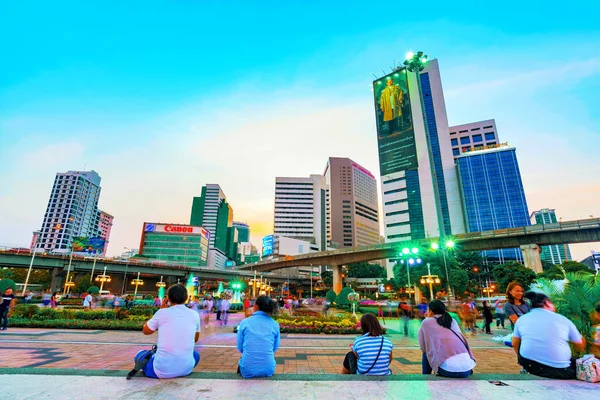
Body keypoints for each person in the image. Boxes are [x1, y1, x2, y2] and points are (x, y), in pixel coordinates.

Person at [512, 291, 584, 379]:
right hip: (560, 370)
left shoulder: (522, 319)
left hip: (530, 365)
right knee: (576, 364)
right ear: (547, 303)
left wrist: (521, 358)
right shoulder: (562, 319)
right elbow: (579, 344)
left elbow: (514, 343)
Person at [135, 284, 200, 379]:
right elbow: (195, 339)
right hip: (187, 369)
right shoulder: (195, 314)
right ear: (186, 298)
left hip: (160, 371)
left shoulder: (162, 313)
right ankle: (180, 368)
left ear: (168, 299)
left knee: (140, 355)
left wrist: (160, 312)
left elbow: (146, 331)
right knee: (195, 354)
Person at [419, 300, 476, 378]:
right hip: (466, 370)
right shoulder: (452, 321)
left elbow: (423, 347)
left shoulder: (427, 322)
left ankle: (425, 377)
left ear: (431, 311)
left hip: (447, 371)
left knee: (425, 352)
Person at [236, 296, 280, 378]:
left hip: (247, 370)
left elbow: (240, 348)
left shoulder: (245, 322)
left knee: (242, 361)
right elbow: (274, 348)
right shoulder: (274, 324)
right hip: (268, 369)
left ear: (256, 306)